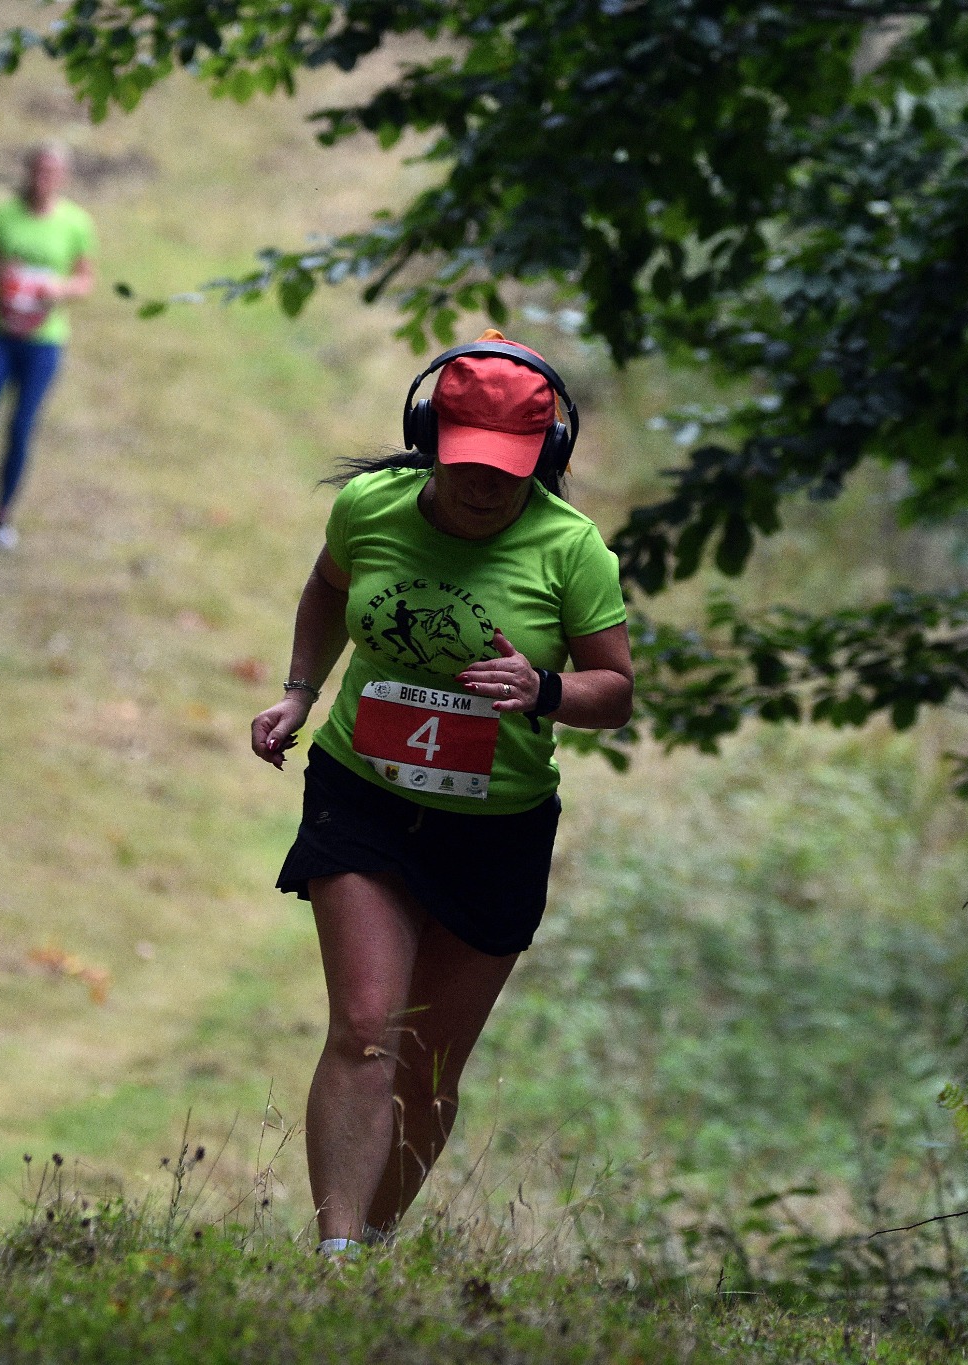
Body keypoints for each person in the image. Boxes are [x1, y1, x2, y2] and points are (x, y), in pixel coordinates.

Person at [247, 331, 634, 1257]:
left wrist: (544, 688)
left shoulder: (571, 549)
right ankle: (335, 1256)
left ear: (546, 454)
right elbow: (327, 588)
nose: (486, 485)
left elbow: (615, 692)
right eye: (469, 462)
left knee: (428, 1068)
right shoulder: (370, 508)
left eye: (509, 467)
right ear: (429, 438)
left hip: (495, 830)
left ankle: (375, 1241)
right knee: (366, 1027)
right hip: (364, 796)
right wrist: (299, 689)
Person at [0, 141, 96, 550]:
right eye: (39, 171)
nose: (43, 180)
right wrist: (2, 274)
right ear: (28, 172)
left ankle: (1, 515)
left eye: (52, 173)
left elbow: (85, 280)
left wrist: (58, 288)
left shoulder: (76, 223)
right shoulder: (3, 215)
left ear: (63, 178)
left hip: (43, 341)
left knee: (21, 428)